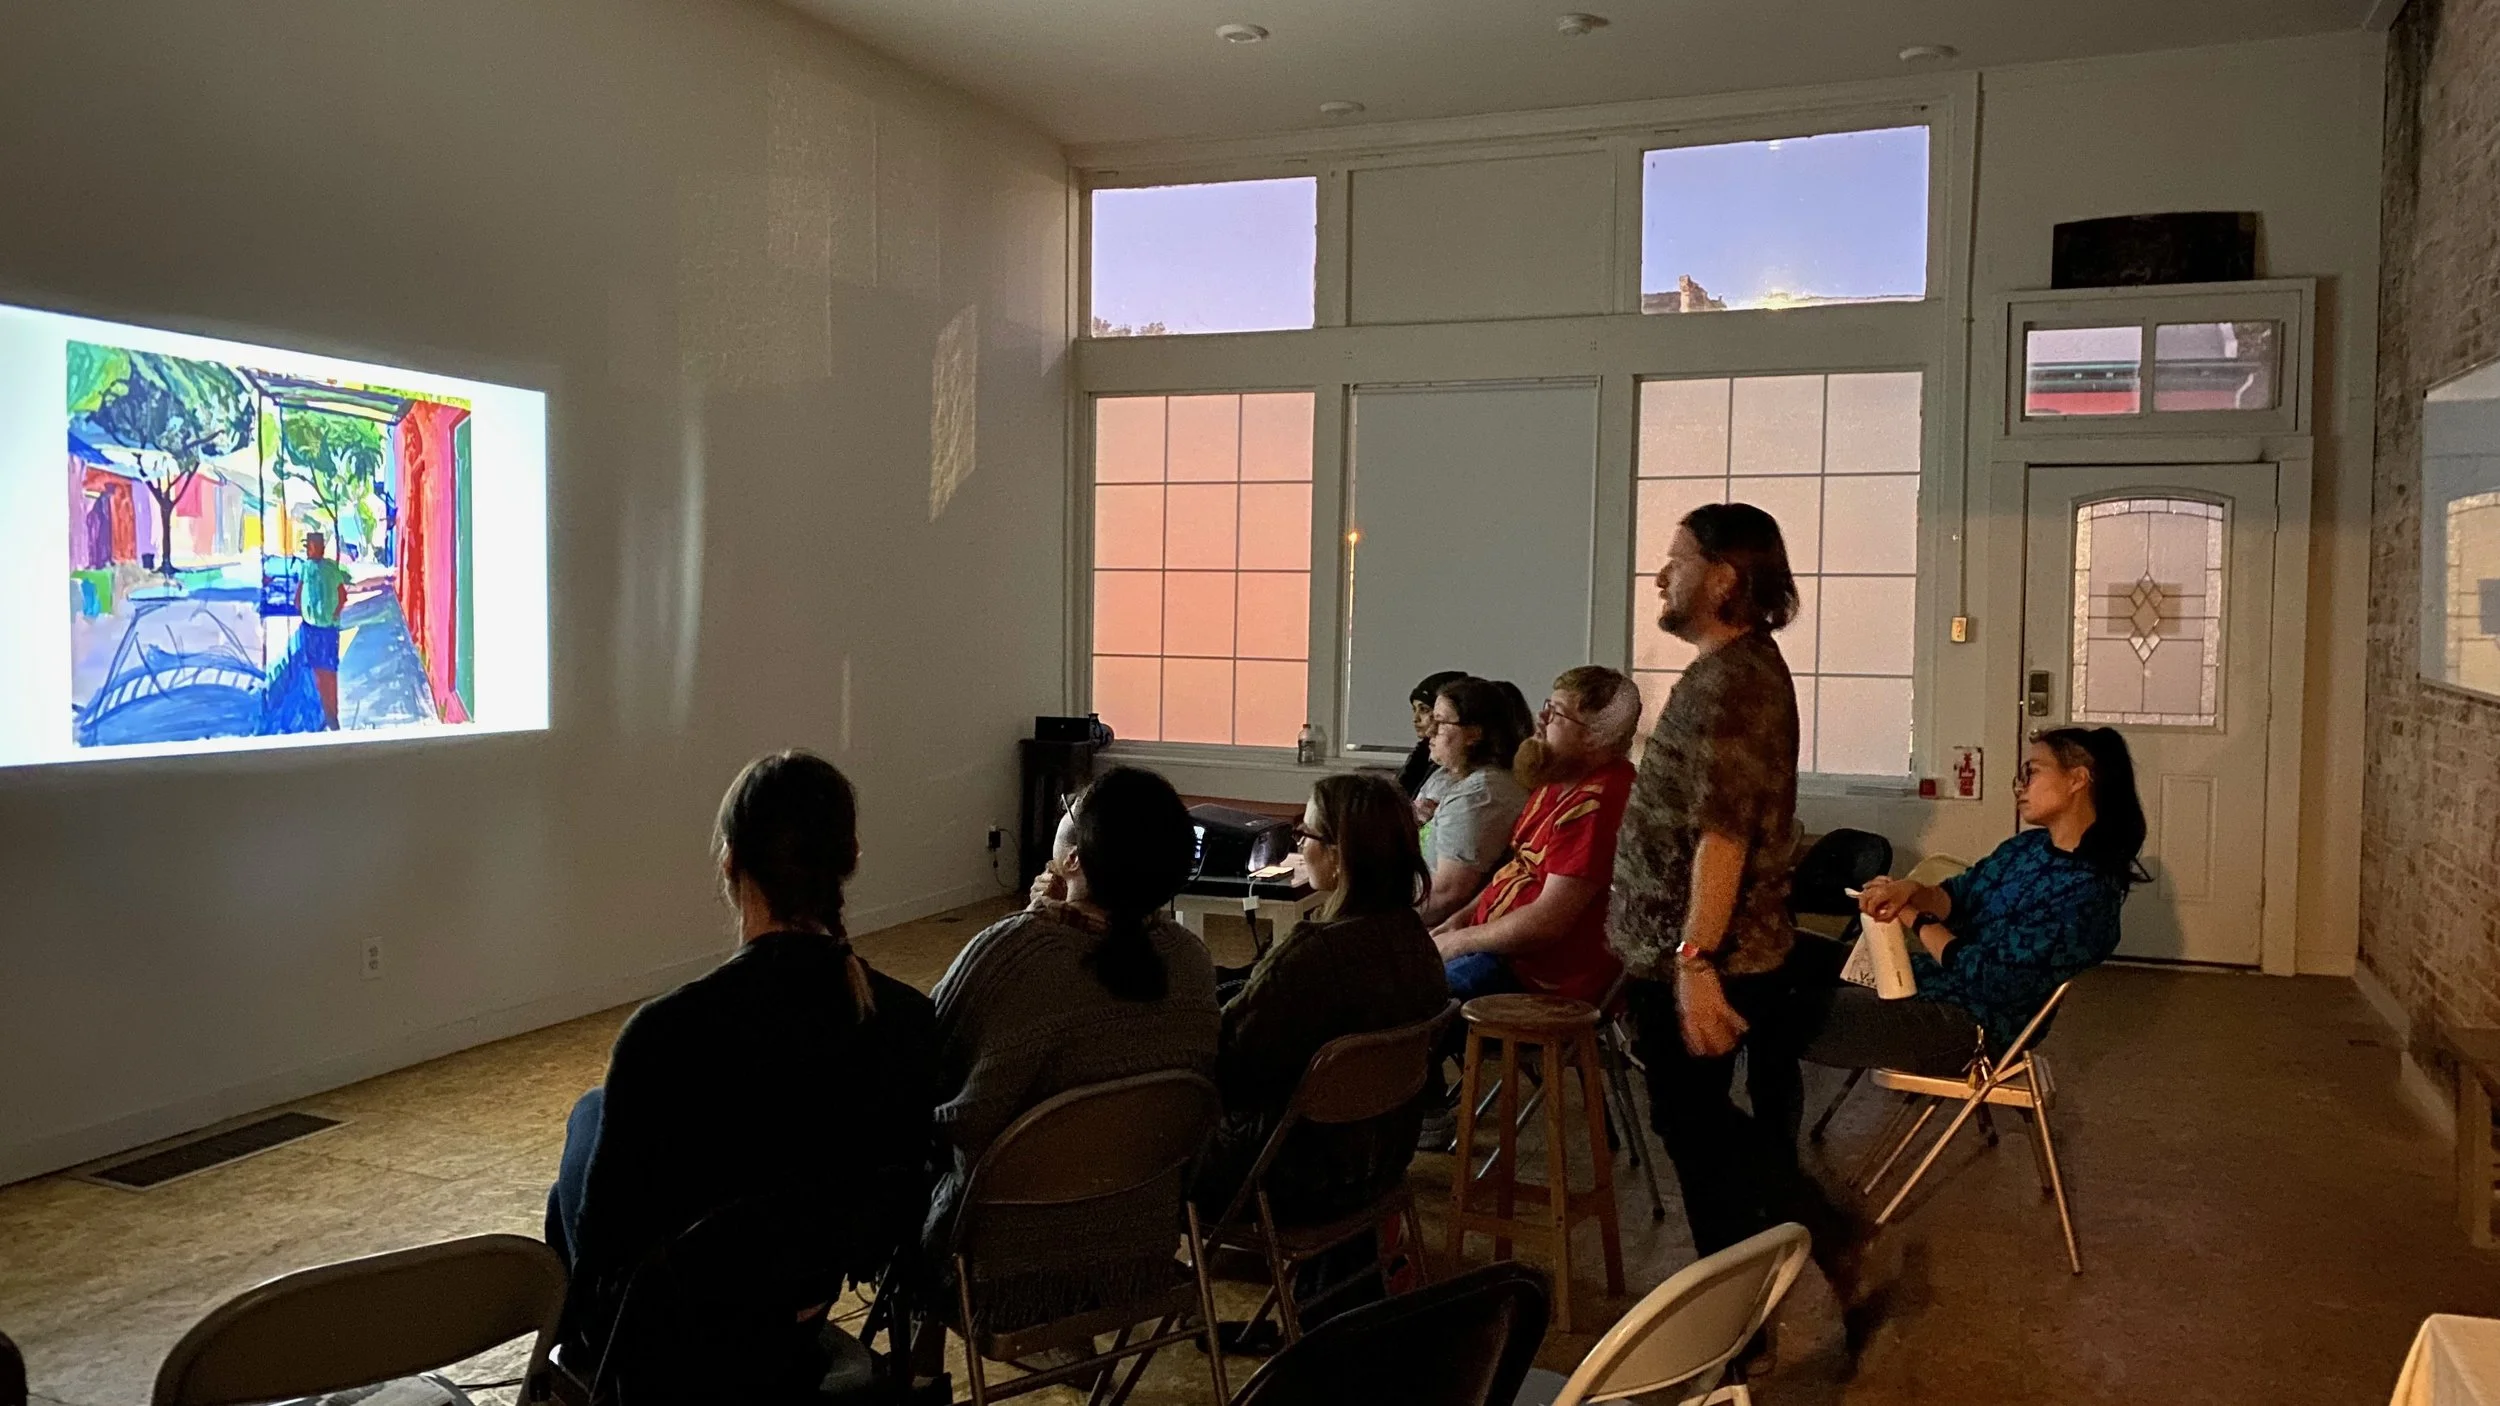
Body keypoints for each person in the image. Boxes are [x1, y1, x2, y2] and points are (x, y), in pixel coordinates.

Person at [547, 751, 937, 1387]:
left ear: (730, 861)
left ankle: (569, 1367)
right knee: (594, 1114)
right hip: (798, 1317)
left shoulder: (665, 1036)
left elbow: (600, 1256)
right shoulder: (907, 1021)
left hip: (668, 1347)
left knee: (589, 1118)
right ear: (850, 859)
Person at [923, 765, 1220, 1331]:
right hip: (1136, 1244)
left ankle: (918, 1365)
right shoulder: (1190, 960)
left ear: (1076, 858)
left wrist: (1035, 921)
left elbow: (932, 1077)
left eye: (1071, 809)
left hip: (1002, 1267)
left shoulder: (1013, 954)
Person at [1608, 503, 1812, 1262]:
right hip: (1692, 953)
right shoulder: (1729, 671)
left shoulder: (1735, 683)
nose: (1662, 575)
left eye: (1679, 559)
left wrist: (1694, 962)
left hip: (1708, 957)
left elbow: (1723, 836)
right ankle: (1781, 1270)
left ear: (1724, 578)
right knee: (1691, 1125)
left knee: (1696, 1131)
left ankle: (1806, 1254)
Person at [1195, 771, 1450, 1335]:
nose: (1298, 844)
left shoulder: (1313, 958)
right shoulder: (1415, 943)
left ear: (1339, 856)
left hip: (1286, 1181)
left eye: (1305, 833)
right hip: (1377, 1165)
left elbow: (1224, 1066)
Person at [1797, 726, 2146, 1075]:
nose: (2020, 786)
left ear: (2077, 780)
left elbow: (1990, 979)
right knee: (1786, 950)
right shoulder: (2026, 848)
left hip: (1970, 1024)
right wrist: (1909, 890)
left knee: (1786, 1011)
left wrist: (1914, 917)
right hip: (1931, 982)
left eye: (2033, 772)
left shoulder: (2087, 892)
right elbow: (1955, 898)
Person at [1432, 665, 1640, 1006]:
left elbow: (1546, 922)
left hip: (1537, 976)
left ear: (1595, 735)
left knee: (1401, 998)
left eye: (1557, 713)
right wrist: (1458, 921)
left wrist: (1459, 942)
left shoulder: (1598, 803)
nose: (1540, 718)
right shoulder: (1557, 780)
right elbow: (1515, 871)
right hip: (1498, 953)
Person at [1414, 677, 1532, 925]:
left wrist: (1379, 922)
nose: (1430, 731)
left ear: (1473, 734)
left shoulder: (1479, 796)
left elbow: (1448, 893)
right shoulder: (1460, 779)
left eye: (1441, 722)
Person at [296, 530, 351, 730]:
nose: (308, 550)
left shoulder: (331, 568)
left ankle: (332, 715)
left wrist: (334, 614)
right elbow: (299, 592)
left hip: (327, 629)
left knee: (329, 672)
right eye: (307, 547)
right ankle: (325, 714)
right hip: (311, 628)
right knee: (317, 672)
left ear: (320, 547)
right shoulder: (305, 567)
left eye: (311, 546)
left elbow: (343, 595)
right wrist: (301, 609)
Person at [1398, 670, 1471, 797]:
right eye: (1414, 709)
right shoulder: (1422, 756)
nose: (1415, 718)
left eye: (1424, 709)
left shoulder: (1454, 766)